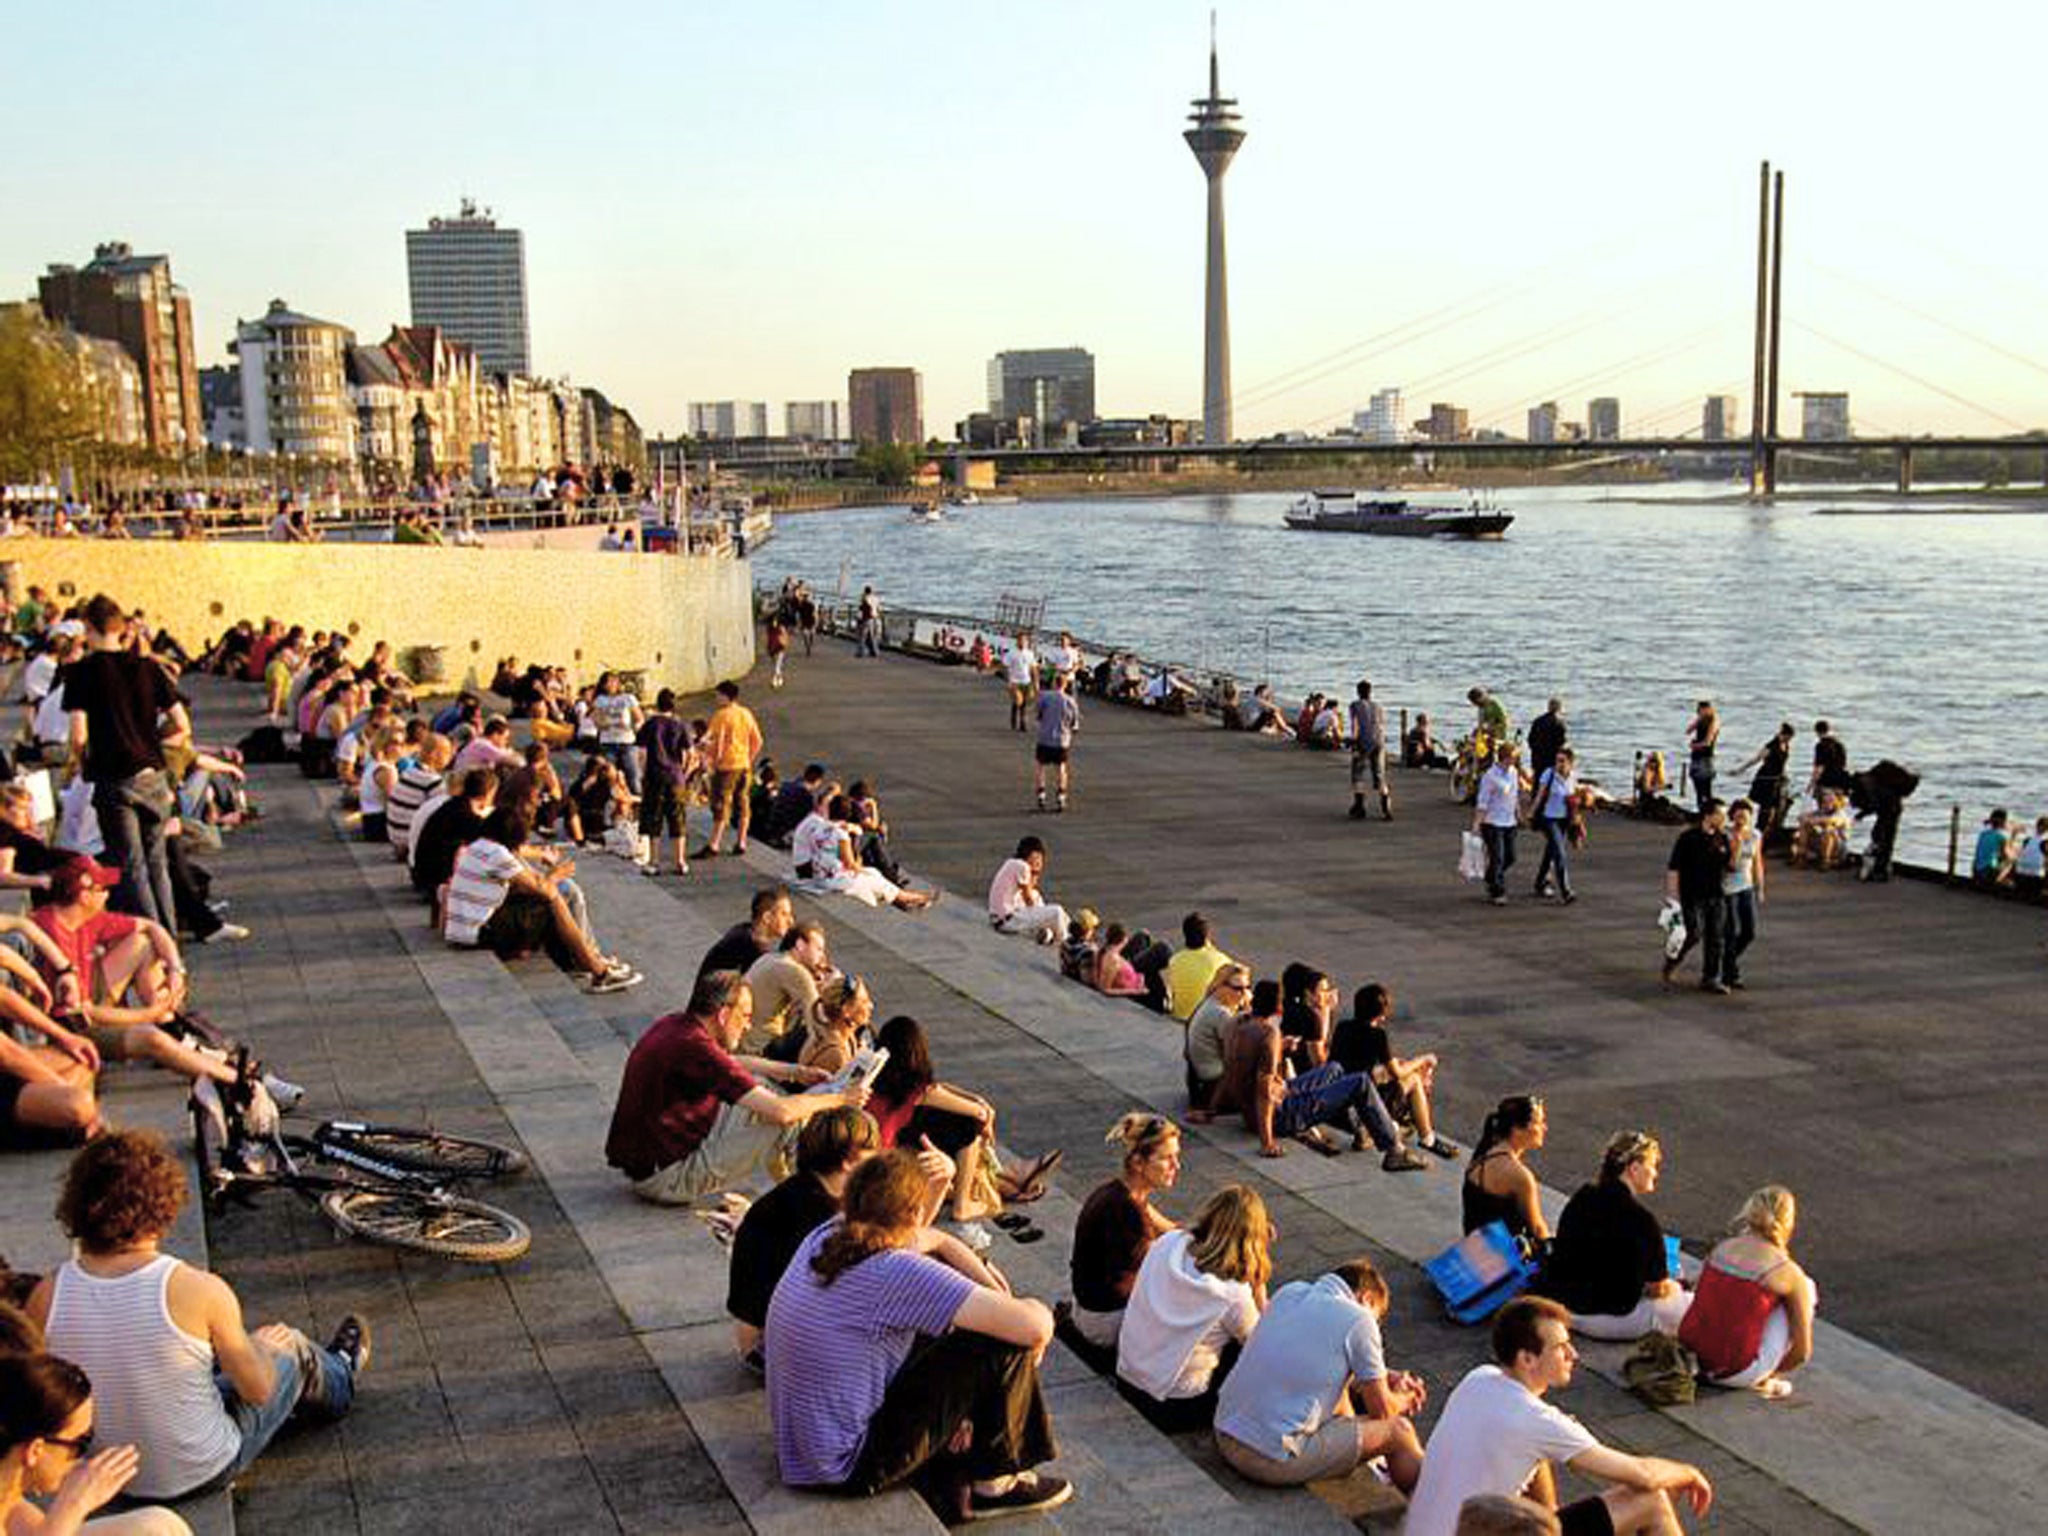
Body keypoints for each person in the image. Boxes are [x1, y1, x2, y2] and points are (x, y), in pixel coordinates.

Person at [30, 1131, 367, 1501]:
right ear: (164, 1205)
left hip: (105, 1480)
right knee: (293, 1349)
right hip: (201, 1469)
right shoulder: (198, 1289)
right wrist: (260, 1348)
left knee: (197, 1369)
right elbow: (259, 1391)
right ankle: (341, 1374)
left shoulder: (46, 1295)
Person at [763, 1150, 1071, 1521]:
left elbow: (934, 1239)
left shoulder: (830, 1234)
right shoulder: (894, 1270)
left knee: (968, 1320)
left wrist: (978, 1276)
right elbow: (1033, 1327)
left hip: (805, 1451)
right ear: (910, 1213)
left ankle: (969, 1439)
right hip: (849, 1466)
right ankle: (994, 1484)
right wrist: (1022, 1304)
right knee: (1002, 1342)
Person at [1402, 1297, 1714, 1536]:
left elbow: (1536, 1451)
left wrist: (1549, 1513)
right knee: (1651, 1500)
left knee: (1548, 1469)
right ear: (1527, 1359)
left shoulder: (1479, 1379)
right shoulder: (1538, 1420)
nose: (1573, 1355)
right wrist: (1688, 1472)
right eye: (1561, 1348)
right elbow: (1642, 1475)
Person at [605, 971, 871, 1207]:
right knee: (788, 1122)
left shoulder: (677, 1025)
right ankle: (812, 1206)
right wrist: (840, 1098)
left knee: (762, 1087)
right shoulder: (696, 1048)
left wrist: (795, 1072)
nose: (747, 1026)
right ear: (723, 1015)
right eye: (744, 1016)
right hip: (668, 1178)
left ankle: (796, 1189)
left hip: (647, 1161)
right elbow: (782, 1112)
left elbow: (729, 1063)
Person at [1212, 1257, 1425, 1493]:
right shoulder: (1360, 1319)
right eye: (1378, 1318)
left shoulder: (1290, 1292)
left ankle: (1376, 1467)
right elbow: (1382, 1411)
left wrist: (1384, 1375)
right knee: (1399, 1431)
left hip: (1226, 1431)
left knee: (1340, 1392)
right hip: (1267, 1457)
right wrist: (1406, 1397)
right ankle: (1431, 1506)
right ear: (1367, 1299)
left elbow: (1315, 1363)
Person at [865, 1015, 1060, 1247]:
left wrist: (978, 1100)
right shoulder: (916, 1090)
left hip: (880, 1158)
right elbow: (977, 1113)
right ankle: (966, 1202)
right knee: (967, 1126)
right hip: (885, 1172)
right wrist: (985, 1115)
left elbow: (942, 1089)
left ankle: (1008, 1184)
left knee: (946, 1124)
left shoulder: (880, 1079)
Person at [62, 595, 186, 927]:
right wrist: (148, 742)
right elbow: (182, 724)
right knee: (158, 863)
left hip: (113, 779)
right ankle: (170, 939)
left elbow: (78, 735)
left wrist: (80, 761)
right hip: (152, 775)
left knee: (132, 865)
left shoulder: (80, 673)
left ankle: (157, 947)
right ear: (120, 627)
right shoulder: (148, 667)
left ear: (88, 628)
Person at [726, 1105, 879, 1363]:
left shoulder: (809, 1191)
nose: (879, 1158)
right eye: (872, 1151)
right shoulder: (813, 1216)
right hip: (769, 1348)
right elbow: (889, 1264)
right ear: (849, 1161)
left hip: (763, 1335)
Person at [1221, 983, 1426, 1169]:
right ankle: (1394, 1150)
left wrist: (1209, 1108)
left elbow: (1231, 1073)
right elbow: (1264, 1090)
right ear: (1278, 1007)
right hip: (1280, 1116)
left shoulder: (1241, 1024)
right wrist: (1267, 1143)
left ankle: (1361, 1121)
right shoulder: (1270, 1035)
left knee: (1335, 1068)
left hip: (1263, 1107)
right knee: (1361, 1081)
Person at [1115, 1185, 1269, 1430]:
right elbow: (1261, 1344)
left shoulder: (1168, 1243)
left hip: (1128, 1378)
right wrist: (1259, 1287)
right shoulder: (1231, 1293)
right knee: (1245, 1345)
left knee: (1221, 1328)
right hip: (1176, 1406)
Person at [444, 809, 643, 994]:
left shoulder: (478, 846)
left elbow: (526, 882)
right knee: (552, 899)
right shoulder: (498, 854)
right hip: (478, 934)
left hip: (464, 930)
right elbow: (544, 889)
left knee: (546, 896)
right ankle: (598, 971)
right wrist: (556, 874)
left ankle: (584, 959)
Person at [0, 1350, 193, 1536]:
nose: (80, 1459)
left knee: (158, 1527)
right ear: (35, 1450)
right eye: (79, 1444)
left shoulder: (9, 1492)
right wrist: (72, 1505)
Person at [1534, 1131, 1689, 1340]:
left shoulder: (1583, 1196)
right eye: (1652, 1166)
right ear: (1634, 1169)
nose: (1655, 1174)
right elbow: (1657, 1288)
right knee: (1685, 1301)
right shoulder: (1642, 1220)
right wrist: (1673, 1286)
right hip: (1607, 1317)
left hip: (1566, 1301)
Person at [1678, 1185, 1816, 1398]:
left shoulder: (1722, 1247)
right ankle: (1764, 1378)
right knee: (1806, 1286)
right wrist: (1771, 1374)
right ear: (1788, 1222)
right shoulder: (1785, 1269)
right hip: (1732, 1370)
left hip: (1688, 1357)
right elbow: (1802, 1353)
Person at [1065, 1114, 1180, 1350]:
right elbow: (1155, 1282)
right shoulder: (1129, 1215)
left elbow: (1174, 1230)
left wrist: (1226, 1228)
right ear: (1138, 1163)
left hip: (1090, 1310)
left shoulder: (1120, 1192)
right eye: (1167, 1158)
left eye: (1176, 1156)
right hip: (1105, 1324)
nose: (1176, 1166)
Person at [1329, 984, 1458, 1158]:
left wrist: (1391, 1066)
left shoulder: (1343, 1027)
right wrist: (1422, 1059)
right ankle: (1427, 1138)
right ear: (1382, 1013)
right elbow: (1397, 1072)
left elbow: (1353, 1064)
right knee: (1414, 1079)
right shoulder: (1377, 1035)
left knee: (1400, 1073)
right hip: (1364, 1102)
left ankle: (1381, 1128)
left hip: (1339, 1101)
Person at [1462, 1097, 1551, 1251]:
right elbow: (1537, 1229)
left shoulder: (1482, 1155)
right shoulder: (1520, 1176)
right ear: (1517, 1129)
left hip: (1474, 1247)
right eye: (1538, 1122)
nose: (1545, 1128)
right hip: (1501, 1258)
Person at [1663, 799, 1730, 993]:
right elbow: (1674, 867)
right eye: (1721, 814)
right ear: (1709, 816)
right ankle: (1674, 959)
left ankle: (1711, 977)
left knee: (1716, 936)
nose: (1724, 819)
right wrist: (1672, 896)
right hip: (1692, 893)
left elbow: (1729, 865)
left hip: (1716, 893)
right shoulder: (1688, 838)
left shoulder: (1722, 838)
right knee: (1694, 933)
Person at [695, 680, 763, 859]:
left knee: (720, 804)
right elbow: (757, 740)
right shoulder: (746, 713)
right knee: (742, 803)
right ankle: (741, 842)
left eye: (718, 695)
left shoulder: (722, 715)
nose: (716, 698)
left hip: (726, 766)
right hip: (743, 765)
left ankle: (714, 843)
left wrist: (709, 756)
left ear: (725, 696)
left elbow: (713, 741)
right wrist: (748, 758)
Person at [742, 923, 831, 1054]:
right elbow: (817, 1020)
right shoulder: (796, 971)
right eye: (819, 949)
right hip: (762, 1047)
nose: (822, 956)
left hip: (745, 1041)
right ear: (800, 945)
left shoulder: (769, 958)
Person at [636, 688, 692, 878]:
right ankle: (680, 861)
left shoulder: (650, 725)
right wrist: (684, 771)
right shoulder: (680, 725)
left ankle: (654, 861)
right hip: (675, 777)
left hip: (654, 776)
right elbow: (689, 754)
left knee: (654, 819)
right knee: (678, 819)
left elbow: (642, 754)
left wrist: (643, 773)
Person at [1183, 963, 1250, 1119]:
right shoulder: (1221, 1014)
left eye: (1247, 987)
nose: (1244, 993)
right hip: (1214, 1086)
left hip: (1200, 1080)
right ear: (1221, 986)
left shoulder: (1210, 1002)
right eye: (1238, 988)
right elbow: (1239, 1053)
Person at [697, 886, 794, 981]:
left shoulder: (743, 931)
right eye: (784, 914)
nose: (791, 921)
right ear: (767, 917)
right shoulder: (751, 946)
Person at [987, 836, 1067, 945]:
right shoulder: (1023, 867)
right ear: (1029, 853)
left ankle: (1049, 932)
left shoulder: (1011, 862)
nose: (1039, 861)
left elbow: (1030, 891)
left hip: (997, 919)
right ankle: (1065, 942)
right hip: (1008, 921)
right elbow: (1028, 899)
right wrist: (1041, 917)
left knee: (1037, 896)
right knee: (1057, 911)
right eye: (1037, 857)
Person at [1720, 797, 1765, 989]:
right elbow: (1729, 865)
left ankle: (1726, 961)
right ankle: (1731, 972)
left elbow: (1757, 862)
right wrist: (1736, 848)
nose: (1742, 820)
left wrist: (1760, 887)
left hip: (1746, 886)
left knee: (1749, 932)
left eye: (1745, 816)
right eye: (1738, 816)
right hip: (1727, 888)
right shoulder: (1726, 835)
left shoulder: (1755, 835)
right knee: (1730, 932)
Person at [1473, 742, 1524, 907]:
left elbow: (1515, 795)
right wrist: (1476, 824)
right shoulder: (1490, 776)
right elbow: (1483, 802)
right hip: (1492, 822)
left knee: (1511, 857)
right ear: (1506, 758)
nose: (1516, 761)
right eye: (1514, 758)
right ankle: (1498, 891)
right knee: (1498, 857)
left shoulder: (1514, 773)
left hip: (1509, 821)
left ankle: (1491, 877)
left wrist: (1519, 814)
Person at [1732, 722, 1796, 847]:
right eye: (1786, 737)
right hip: (1766, 780)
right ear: (1782, 734)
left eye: (1790, 738)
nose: (1788, 739)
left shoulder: (1786, 745)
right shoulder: (1771, 746)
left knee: (1777, 808)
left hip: (1778, 780)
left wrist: (1785, 775)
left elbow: (1782, 763)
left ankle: (1768, 834)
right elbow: (1756, 759)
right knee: (1765, 810)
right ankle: (1758, 834)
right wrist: (1740, 770)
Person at [1529, 747, 1579, 903]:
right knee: (1559, 853)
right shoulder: (1548, 774)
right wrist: (1531, 812)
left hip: (1565, 819)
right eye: (1557, 760)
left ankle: (1539, 882)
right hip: (1549, 818)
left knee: (1550, 852)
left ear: (1570, 763)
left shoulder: (1572, 777)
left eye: (1562, 761)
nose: (1559, 764)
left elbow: (1573, 796)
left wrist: (1577, 816)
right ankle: (1566, 891)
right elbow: (1540, 795)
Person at [1163, 911, 1234, 1021]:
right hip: (1207, 1020)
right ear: (1207, 936)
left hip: (1180, 1017)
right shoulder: (1221, 960)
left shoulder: (1174, 960)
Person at [589, 673, 645, 797]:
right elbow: (596, 719)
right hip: (608, 741)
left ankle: (637, 802)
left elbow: (639, 718)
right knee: (609, 776)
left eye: (614, 681)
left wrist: (633, 727)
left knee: (633, 775)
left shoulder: (628, 698)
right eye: (608, 682)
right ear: (603, 685)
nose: (612, 684)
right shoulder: (600, 700)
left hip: (627, 741)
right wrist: (604, 723)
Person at [1347, 680, 1393, 822]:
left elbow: (1355, 725)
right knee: (1379, 774)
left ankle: (1359, 806)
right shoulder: (1378, 706)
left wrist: (1353, 742)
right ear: (1370, 692)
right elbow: (1381, 724)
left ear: (1358, 692)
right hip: (1378, 741)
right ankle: (1386, 809)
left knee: (1358, 773)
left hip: (1363, 741)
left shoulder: (1355, 705)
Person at [1032, 673, 1079, 813]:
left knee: (1040, 767)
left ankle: (1041, 794)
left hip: (1045, 738)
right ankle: (1061, 796)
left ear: (1053, 683)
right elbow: (1074, 724)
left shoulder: (1044, 697)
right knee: (1061, 769)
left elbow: (1038, 715)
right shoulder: (1070, 701)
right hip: (1061, 740)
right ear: (1065, 685)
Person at [1685, 700, 1720, 810]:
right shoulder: (1701, 720)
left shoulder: (1714, 721)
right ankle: (1701, 811)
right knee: (1698, 788)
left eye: (1702, 711)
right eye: (1699, 711)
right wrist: (1698, 719)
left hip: (1705, 758)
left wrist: (1694, 746)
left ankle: (1709, 813)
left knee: (1706, 790)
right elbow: (1688, 731)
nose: (1700, 713)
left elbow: (1707, 742)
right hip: (1696, 757)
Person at [1002, 631, 1037, 732]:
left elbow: (1033, 668)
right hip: (1015, 681)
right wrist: (1009, 681)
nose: (1022, 642)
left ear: (1027, 642)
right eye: (1020, 640)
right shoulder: (1011, 653)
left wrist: (1036, 683)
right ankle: (1015, 717)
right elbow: (1005, 667)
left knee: (1025, 703)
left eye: (1024, 640)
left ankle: (1022, 722)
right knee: (1018, 701)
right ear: (1017, 641)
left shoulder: (1030, 653)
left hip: (1026, 681)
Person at [1527, 698, 1568, 784]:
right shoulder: (1559, 723)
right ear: (1559, 708)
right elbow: (1562, 743)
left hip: (1537, 756)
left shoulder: (1538, 721)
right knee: (1550, 782)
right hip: (1551, 758)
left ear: (1548, 707)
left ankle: (1535, 795)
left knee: (1537, 780)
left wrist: (1535, 750)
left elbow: (1530, 740)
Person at [1972, 808, 2013, 886]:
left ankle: (2001, 880)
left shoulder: (1983, 834)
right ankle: (1998, 882)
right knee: (2010, 862)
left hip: (1976, 870)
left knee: (1998, 860)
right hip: (1988, 871)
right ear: (2003, 821)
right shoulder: (2001, 836)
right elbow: (2006, 856)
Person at [853, 585, 882, 658]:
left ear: (865, 591)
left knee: (862, 636)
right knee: (872, 636)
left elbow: (863, 608)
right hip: (875, 619)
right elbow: (879, 608)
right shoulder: (876, 598)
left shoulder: (865, 598)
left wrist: (860, 618)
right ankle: (874, 651)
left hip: (867, 619)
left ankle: (860, 652)